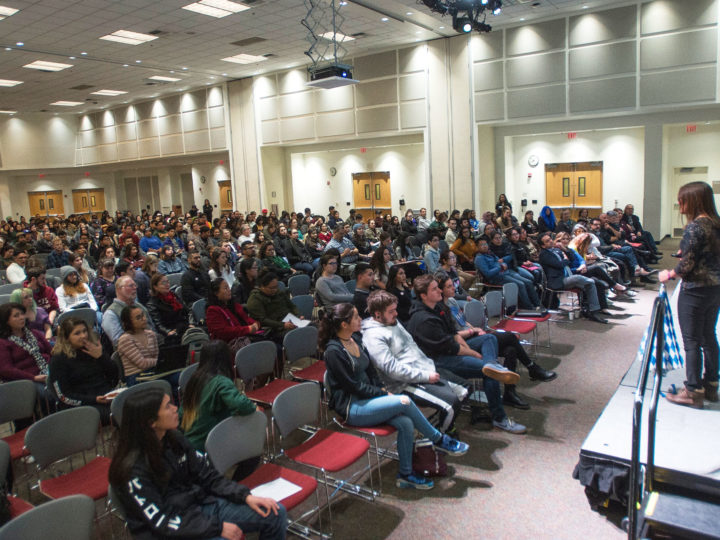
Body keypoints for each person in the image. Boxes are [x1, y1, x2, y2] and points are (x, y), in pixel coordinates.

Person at [322, 303, 469, 491]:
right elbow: (353, 386)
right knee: (404, 401)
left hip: (369, 399)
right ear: (344, 324)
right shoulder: (333, 351)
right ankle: (437, 438)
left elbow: (371, 372)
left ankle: (405, 475)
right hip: (353, 407)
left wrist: (382, 389)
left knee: (406, 423)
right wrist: (383, 393)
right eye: (356, 317)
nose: (361, 320)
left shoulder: (355, 339)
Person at [109, 386, 286, 540]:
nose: (175, 409)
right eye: (167, 407)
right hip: (172, 530)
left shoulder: (174, 439)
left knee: (275, 513)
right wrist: (218, 528)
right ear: (151, 422)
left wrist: (245, 496)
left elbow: (208, 475)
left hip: (201, 507)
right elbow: (162, 522)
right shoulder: (132, 470)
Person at [406, 274, 526, 434]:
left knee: (488, 338)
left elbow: (454, 335)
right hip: (438, 361)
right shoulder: (423, 320)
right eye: (434, 289)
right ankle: (500, 419)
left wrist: (472, 351)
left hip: (451, 349)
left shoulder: (439, 307)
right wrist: (474, 354)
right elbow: (451, 348)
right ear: (423, 295)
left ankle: (492, 364)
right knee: (489, 373)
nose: (439, 291)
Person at [362, 290, 467, 434]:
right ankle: (440, 436)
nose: (396, 314)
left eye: (395, 309)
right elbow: (392, 369)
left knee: (464, 390)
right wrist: (425, 376)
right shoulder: (373, 336)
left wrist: (427, 368)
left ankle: (432, 426)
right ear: (377, 314)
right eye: (391, 311)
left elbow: (411, 347)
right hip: (404, 383)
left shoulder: (391, 321)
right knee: (451, 403)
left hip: (423, 369)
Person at [659, 181, 720, 408]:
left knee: (692, 341)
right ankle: (711, 384)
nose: (679, 204)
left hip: (695, 290)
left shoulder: (695, 226)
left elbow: (689, 264)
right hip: (715, 288)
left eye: (682, 199)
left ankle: (693, 390)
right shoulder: (716, 223)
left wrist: (671, 273)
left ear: (692, 201)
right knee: (709, 336)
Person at [180, 340, 259, 461]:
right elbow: (242, 405)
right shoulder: (220, 381)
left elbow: (181, 414)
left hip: (189, 441)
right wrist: (254, 407)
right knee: (252, 454)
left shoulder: (195, 378)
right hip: (208, 441)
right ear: (227, 358)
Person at [48, 317, 118, 425]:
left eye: (85, 331)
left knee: (135, 406)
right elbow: (63, 396)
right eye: (77, 333)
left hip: (106, 396)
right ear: (66, 338)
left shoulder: (93, 349)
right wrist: (94, 399)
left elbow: (115, 377)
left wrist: (101, 357)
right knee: (120, 414)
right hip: (82, 405)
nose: (83, 336)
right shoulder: (58, 360)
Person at [538, 233, 607, 323]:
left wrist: (564, 250)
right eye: (547, 241)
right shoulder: (544, 254)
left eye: (550, 239)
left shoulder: (556, 250)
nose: (551, 241)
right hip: (559, 280)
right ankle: (591, 310)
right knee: (583, 279)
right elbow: (560, 265)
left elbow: (571, 259)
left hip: (568, 276)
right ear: (543, 245)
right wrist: (565, 260)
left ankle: (593, 311)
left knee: (594, 282)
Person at [0, 303, 55, 412]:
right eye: (16, 316)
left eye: (22, 314)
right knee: (49, 394)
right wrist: (33, 378)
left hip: (48, 371)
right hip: (26, 380)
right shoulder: (3, 343)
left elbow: (52, 352)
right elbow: (6, 370)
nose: (21, 317)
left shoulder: (34, 333)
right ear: (6, 320)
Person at [206, 278, 262, 354]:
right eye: (225, 288)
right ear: (216, 293)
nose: (229, 290)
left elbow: (246, 319)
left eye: (229, 287)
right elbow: (223, 332)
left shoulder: (233, 305)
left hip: (245, 337)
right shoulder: (213, 310)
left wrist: (255, 324)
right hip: (230, 345)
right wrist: (247, 329)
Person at [246, 271, 301, 343]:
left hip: (289, 321)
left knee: (312, 327)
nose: (275, 290)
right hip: (274, 329)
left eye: (276, 287)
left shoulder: (278, 292)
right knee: (297, 334)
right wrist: (283, 325)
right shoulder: (255, 300)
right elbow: (263, 320)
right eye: (272, 288)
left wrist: (298, 316)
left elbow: (292, 306)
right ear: (262, 286)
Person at [117, 305, 164, 386]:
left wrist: (161, 362)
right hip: (136, 377)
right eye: (138, 318)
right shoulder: (125, 339)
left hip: (152, 371)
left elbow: (156, 356)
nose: (144, 319)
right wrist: (161, 362)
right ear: (128, 323)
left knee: (178, 375)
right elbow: (142, 364)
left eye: (143, 315)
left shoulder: (151, 334)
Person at [146, 273, 190, 343]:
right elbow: (158, 325)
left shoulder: (174, 296)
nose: (167, 285)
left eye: (167, 282)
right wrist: (168, 332)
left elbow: (186, 311)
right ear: (155, 287)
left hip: (183, 326)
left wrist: (190, 323)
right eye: (163, 283)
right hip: (171, 331)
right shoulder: (152, 304)